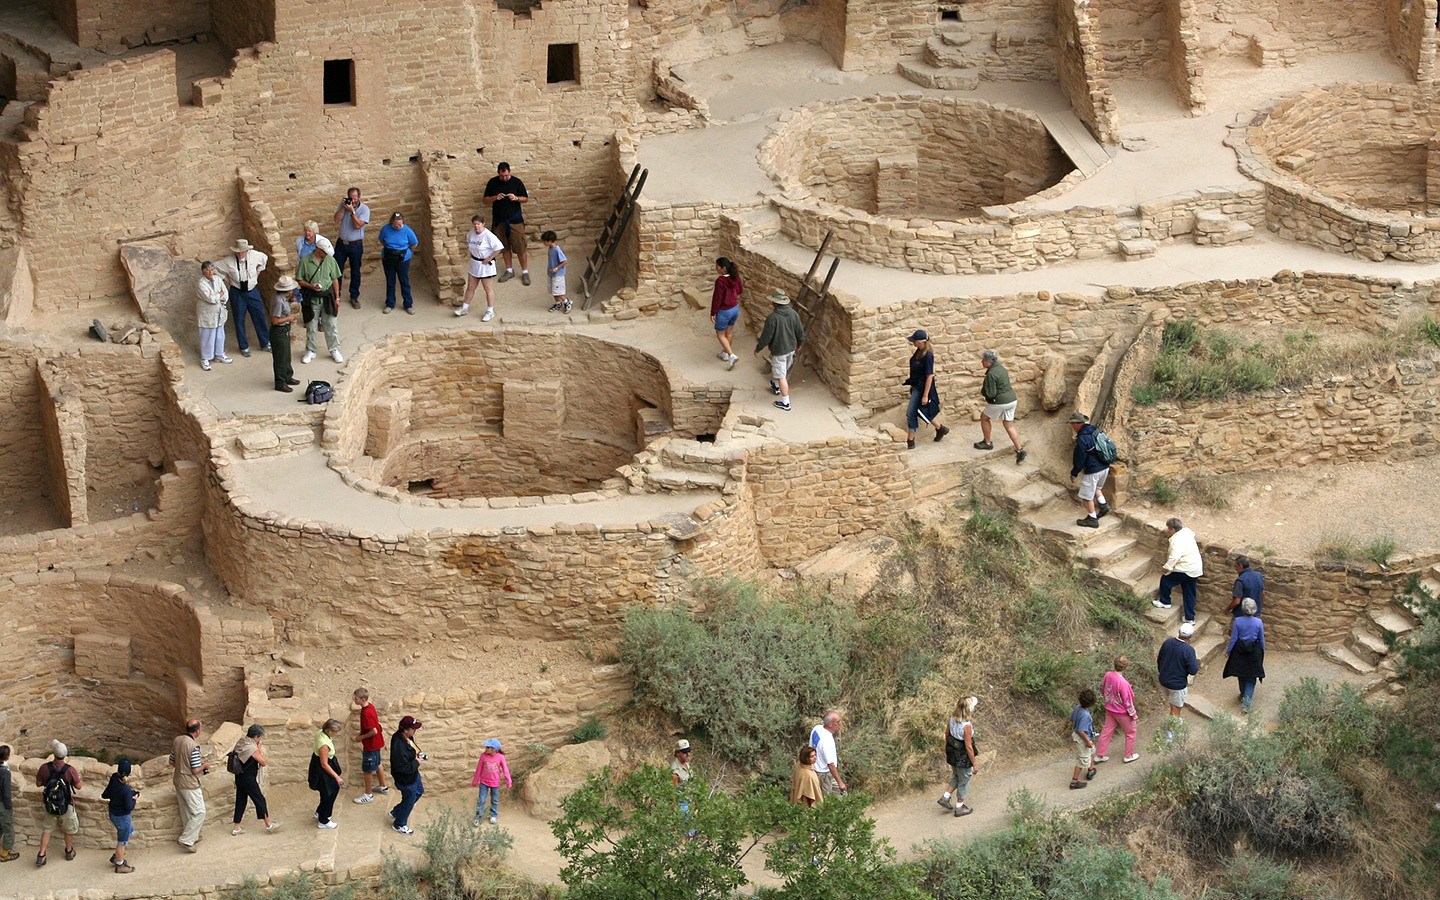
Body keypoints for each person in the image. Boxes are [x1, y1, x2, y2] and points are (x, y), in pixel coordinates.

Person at [215, 238, 270, 357]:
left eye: (242, 252)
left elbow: (265, 258)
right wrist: (225, 278)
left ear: (247, 250)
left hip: (252, 290)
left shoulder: (255, 256)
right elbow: (214, 268)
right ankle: (244, 346)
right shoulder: (229, 261)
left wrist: (259, 270)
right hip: (237, 291)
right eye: (238, 252)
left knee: (259, 315)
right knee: (239, 319)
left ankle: (265, 342)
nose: (239, 254)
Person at [755, 289, 804, 412]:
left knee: (781, 375)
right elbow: (800, 331)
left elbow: (766, 336)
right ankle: (776, 386)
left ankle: (786, 402)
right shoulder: (794, 314)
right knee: (783, 370)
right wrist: (800, 344)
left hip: (779, 350)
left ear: (775, 303)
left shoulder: (773, 318)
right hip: (791, 348)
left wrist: (758, 348)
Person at [298, 236, 344, 365]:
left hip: (327, 298)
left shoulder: (330, 260)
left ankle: (334, 349)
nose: (325, 255)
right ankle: (311, 350)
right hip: (312, 299)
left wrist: (337, 297)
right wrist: (310, 286)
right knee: (311, 326)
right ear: (318, 250)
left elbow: (335, 279)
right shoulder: (305, 261)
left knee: (331, 324)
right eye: (324, 252)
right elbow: (299, 279)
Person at [34, 739, 81, 866]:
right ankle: (69, 851)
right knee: (68, 829)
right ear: (65, 755)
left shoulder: (44, 768)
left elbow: (38, 783)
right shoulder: (70, 770)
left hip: (50, 804)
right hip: (65, 804)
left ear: (54, 754)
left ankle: (41, 855)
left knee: (47, 829)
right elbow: (79, 787)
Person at [975, 350, 1025, 463]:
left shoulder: (991, 374)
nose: (981, 362)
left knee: (984, 417)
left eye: (983, 360)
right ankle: (1019, 450)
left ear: (988, 362)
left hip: (1001, 402)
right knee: (1009, 425)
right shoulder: (1002, 369)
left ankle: (987, 442)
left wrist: (985, 395)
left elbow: (991, 393)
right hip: (1012, 400)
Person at [484, 162, 530, 284]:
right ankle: (509, 270)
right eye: (502, 176)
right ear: (498, 173)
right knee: (504, 247)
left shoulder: (516, 182)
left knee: (520, 247)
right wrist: (495, 198)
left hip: (515, 220)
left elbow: (525, 198)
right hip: (499, 221)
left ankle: (525, 272)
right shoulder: (493, 182)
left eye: (506, 175)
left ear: (509, 171)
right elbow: (485, 200)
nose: (505, 178)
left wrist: (516, 198)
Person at [1153, 517, 1204, 625]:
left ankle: (1164, 601)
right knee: (1189, 592)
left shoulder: (1176, 541)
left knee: (1166, 579)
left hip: (1185, 568)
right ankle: (1190, 618)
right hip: (1195, 568)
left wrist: (1167, 567)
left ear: (1172, 529)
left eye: (1168, 529)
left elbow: (1174, 557)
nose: (1166, 531)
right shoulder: (1187, 532)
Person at [904, 329, 949, 450]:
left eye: (914, 341)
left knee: (911, 413)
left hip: (921, 388)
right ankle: (940, 429)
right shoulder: (919, 351)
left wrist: (925, 395)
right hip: (916, 386)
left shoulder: (928, 355)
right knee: (920, 411)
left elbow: (930, 376)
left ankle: (910, 440)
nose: (913, 342)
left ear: (920, 342)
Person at [231, 724, 279, 835]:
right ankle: (269, 824)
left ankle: (236, 827)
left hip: (239, 776)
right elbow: (263, 762)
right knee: (260, 799)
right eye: (260, 737)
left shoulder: (241, 742)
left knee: (241, 800)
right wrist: (259, 748)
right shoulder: (251, 747)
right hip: (248, 778)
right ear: (256, 737)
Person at [1223, 597, 1267, 713]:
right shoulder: (1258, 622)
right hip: (1254, 650)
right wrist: (1262, 650)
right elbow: (1261, 639)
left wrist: (1229, 650)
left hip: (1240, 650)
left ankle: (1243, 695)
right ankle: (1246, 704)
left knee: (1241, 673)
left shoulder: (1238, 621)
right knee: (1251, 677)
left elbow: (1234, 638)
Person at [171, 718, 208, 852]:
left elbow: (172, 762)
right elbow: (195, 769)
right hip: (189, 783)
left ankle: (193, 836)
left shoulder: (178, 740)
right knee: (199, 812)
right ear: (197, 730)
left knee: (185, 810)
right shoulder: (193, 746)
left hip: (178, 780)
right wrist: (204, 766)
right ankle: (186, 840)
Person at [938, 696, 979, 816]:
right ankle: (959, 807)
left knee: (957, 775)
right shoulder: (966, 725)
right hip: (962, 756)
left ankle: (945, 797)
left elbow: (947, 733)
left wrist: (948, 749)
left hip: (952, 753)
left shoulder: (952, 719)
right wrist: (974, 763)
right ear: (969, 710)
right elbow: (968, 746)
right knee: (964, 779)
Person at [1069, 412, 1111, 529]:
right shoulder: (1095, 431)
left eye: (1073, 424)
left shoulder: (1082, 439)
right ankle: (1104, 506)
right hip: (1105, 467)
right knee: (1097, 488)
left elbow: (1079, 459)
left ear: (1078, 424)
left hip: (1093, 470)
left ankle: (1092, 519)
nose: (1072, 426)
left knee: (1086, 497)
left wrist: (1074, 473)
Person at [457, 215, 504, 320]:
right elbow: (470, 243)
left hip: (485, 265)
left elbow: (499, 247)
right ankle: (464, 307)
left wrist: (489, 257)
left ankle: (490, 311)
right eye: (474, 224)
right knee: (470, 287)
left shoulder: (488, 236)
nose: (476, 226)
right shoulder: (471, 233)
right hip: (475, 263)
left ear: (483, 224)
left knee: (487, 288)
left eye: (478, 224)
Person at [1094, 657, 1140, 764]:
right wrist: (1133, 715)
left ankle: (1099, 755)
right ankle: (1128, 755)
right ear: (1125, 667)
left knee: (1106, 731)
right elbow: (1127, 702)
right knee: (1130, 732)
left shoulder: (1108, 675)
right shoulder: (1123, 683)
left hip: (1110, 709)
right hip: (1122, 712)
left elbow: (1103, 689)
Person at [333, 187, 370, 309]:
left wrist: (352, 211)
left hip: (356, 245)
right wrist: (344, 208)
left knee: (355, 271)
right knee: (337, 270)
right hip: (341, 244)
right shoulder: (344, 205)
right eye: (351, 197)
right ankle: (336, 295)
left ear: (359, 197)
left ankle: (354, 296)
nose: (352, 200)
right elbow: (336, 219)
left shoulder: (364, 209)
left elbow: (358, 225)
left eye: (355, 198)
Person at [352, 688, 390, 804]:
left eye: (356, 698)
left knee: (367, 769)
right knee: (378, 763)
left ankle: (368, 795)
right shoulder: (370, 707)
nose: (354, 699)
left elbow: (373, 731)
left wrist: (361, 737)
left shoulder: (366, 712)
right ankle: (383, 786)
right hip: (377, 743)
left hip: (371, 744)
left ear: (363, 699)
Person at [389, 715, 426, 836]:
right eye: (413, 729)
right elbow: (402, 768)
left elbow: (412, 749)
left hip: (413, 774)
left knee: (419, 791)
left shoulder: (406, 737)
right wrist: (417, 762)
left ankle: (397, 812)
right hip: (406, 779)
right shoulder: (398, 745)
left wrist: (418, 755)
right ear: (406, 730)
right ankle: (399, 824)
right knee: (409, 800)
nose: (415, 731)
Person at [1157, 622, 1200, 721]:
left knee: (1172, 703)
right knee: (1175, 708)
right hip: (1177, 684)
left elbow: (1159, 659)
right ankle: (1171, 731)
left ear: (1179, 631)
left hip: (1163, 679)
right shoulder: (1188, 650)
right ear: (1190, 636)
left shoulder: (1167, 642)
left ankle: (1174, 723)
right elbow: (1193, 670)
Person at [378, 212, 420, 314]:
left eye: (400, 225)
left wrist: (407, 252)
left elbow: (414, 243)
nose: (397, 227)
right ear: (391, 222)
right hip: (388, 258)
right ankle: (390, 304)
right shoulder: (386, 229)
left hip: (403, 260)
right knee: (390, 281)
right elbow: (382, 240)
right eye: (395, 225)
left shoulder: (407, 231)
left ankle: (408, 304)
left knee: (404, 281)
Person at [101, 758, 137, 873]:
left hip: (113, 814)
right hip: (122, 818)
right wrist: (134, 798)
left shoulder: (114, 778)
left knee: (128, 833)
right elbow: (129, 807)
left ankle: (117, 855)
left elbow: (105, 794)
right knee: (121, 842)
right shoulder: (125, 789)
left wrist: (116, 796)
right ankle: (120, 865)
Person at [196, 261, 232, 371]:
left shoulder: (217, 279)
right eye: (207, 270)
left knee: (220, 333)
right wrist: (218, 295)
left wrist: (219, 297)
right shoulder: (201, 283)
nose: (210, 272)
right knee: (207, 335)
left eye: (211, 269)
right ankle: (205, 358)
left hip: (219, 310)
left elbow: (225, 292)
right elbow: (209, 298)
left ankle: (219, 354)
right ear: (203, 272)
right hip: (207, 312)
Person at [309, 719, 344, 829]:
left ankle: (320, 812)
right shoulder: (323, 745)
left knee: (326, 792)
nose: (336, 734)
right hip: (323, 770)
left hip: (320, 765)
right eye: (335, 732)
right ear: (329, 731)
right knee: (330, 792)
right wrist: (337, 777)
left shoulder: (321, 733)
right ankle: (324, 820)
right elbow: (324, 764)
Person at [268, 275, 300, 393]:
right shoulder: (278, 301)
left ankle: (287, 376)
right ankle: (280, 382)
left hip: (284, 330)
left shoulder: (283, 298)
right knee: (280, 358)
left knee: (286, 355)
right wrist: (289, 318)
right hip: (279, 331)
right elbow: (275, 320)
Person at [710, 257, 743, 368]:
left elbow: (717, 298)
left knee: (720, 334)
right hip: (735, 308)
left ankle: (731, 355)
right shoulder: (736, 277)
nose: (716, 268)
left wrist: (713, 312)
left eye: (717, 266)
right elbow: (740, 290)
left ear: (723, 268)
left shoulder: (721, 281)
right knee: (729, 332)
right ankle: (725, 353)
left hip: (724, 311)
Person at [471, 738, 512, 826]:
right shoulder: (483, 756)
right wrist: (475, 781)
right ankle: (478, 817)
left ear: (493, 749)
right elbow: (479, 769)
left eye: (487, 747)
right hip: (484, 782)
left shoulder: (500, 757)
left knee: (495, 800)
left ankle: (493, 815)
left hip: (495, 783)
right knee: (481, 800)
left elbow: (505, 770)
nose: (485, 749)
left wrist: (509, 781)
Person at [809, 711, 847, 796]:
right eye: (838, 722)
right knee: (826, 798)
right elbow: (831, 765)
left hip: (815, 768)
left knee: (841, 794)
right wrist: (840, 782)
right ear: (830, 724)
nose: (840, 724)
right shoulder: (827, 741)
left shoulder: (817, 728)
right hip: (824, 773)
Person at [1069, 690, 1097, 790]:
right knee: (1082, 760)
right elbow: (1081, 730)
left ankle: (1091, 769)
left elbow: (1072, 719)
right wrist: (1087, 741)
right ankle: (1074, 782)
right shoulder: (1086, 715)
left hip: (1081, 735)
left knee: (1092, 751)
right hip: (1082, 738)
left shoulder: (1077, 708)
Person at [543, 230, 571, 314]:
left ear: (549, 241)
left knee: (558, 291)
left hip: (558, 274)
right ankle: (558, 303)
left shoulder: (557, 249)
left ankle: (566, 302)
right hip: (551, 273)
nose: (544, 243)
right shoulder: (550, 248)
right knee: (553, 290)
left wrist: (557, 268)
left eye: (544, 241)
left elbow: (564, 261)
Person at [0, 744, 15, 862]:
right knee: (8, 828)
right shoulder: (5, 772)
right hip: (2, 804)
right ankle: (5, 854)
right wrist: (9, 806)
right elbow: (6, 792)